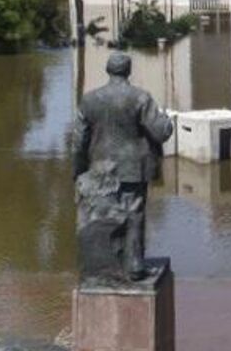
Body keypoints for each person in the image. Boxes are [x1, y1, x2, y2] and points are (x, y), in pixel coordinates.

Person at [71, 53, 174, 283]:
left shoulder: (89, 100)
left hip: (99, 169)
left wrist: (77, 170)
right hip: (132, 167)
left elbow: (78, 140)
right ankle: (134, 265)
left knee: (103, 215)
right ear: (128, 71)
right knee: (133, 214)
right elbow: (160, 131)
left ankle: (103, 266)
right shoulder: (140, 98)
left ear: (108, 71)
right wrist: (168, 122)